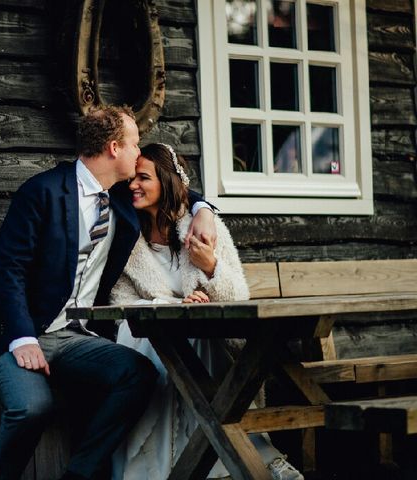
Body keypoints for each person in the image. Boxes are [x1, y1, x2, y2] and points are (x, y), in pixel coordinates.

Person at [0, 106, 218, 480]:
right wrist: (23, 338)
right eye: (135, 144)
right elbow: (9, 272)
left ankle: (79, 475)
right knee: (33, 406)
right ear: (114, 148)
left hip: (73, 337)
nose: (140, 153)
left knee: (139, 374)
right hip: (13, 333)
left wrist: (202, 208)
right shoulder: (42, 193)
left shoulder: (119, 197)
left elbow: (174, 185)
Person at [110, 143, 304, 480]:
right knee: (183, 340)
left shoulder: (202, 228)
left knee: (202, 341)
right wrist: (172, 306)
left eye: (144, 178)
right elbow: (119, 300)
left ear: (167, 183)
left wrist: (211, 266)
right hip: (145, 337)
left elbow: (238, 294)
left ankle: (254, 459)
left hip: (208, 338)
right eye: (133, 178)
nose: (133, 185)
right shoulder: (128, 234)